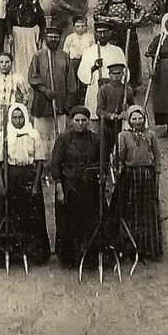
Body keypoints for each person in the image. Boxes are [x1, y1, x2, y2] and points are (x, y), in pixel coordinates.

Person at [0, 103, 50, 266]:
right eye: (14, 117)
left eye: (20, 117)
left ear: (25, 117)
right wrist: (1, 185)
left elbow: (39, 161)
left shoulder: (33, 134)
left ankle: (32, 253)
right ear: (10, 118)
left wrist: (36, 184)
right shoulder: (4, 135)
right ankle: (9, 252)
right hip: (11, 176)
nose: (18, 120)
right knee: (9, 212)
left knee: (30, 214)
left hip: (29, 176)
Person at [49, 106, 101, 268]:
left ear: (88, 122)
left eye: (83, 121)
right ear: (71, 122)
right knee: (68, 222)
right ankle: (69, 258)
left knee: (88, 221)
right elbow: (55, 165)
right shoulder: (63, 140)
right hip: (69, 187)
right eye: (77, 120)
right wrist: (59, 187)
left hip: (89, 187)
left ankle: (88, 257)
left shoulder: (96, 139)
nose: (80, 124)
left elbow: (101, 162)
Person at [114, 105, 163, 263]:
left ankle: (147, 249)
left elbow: (157, 156)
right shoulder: (123, 136)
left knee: (146, 212)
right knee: (131, 211)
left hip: (147, 176)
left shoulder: (150, 135)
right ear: (129, 120)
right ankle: (129, 248)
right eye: (133, 118)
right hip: (130, 176)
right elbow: (119, 157)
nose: (137, 121)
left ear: (144, 119)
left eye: (140, 118)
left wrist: (156, 174)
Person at [27, 25, 78, 159]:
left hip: (59, 104)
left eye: (56, 37)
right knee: (41, 138)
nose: (53, 40)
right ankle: (42, 167)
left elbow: (71, 82)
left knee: (58, 137)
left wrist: (67, 102)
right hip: (42, 103)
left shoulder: (64, 57)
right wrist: (45, 91)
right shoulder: (38, 55)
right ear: (45, 38)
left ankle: (55, 166)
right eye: (51, 37)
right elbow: (32, 78)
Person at [93, 0, 144, 88]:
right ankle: (111, 83)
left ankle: (130, 84)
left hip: (126, 29)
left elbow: (141, 10)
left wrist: (136, 21)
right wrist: (111, 19)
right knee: (113, 56)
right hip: (110, 31)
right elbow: (96, 15)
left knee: (130, 56)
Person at [76, 19, 127, 126]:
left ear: (109, 34)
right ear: (95, 34)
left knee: (114, 121)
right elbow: (82, 74)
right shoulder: (89, 51)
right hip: (95, 89)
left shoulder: (117, 51)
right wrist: (93, 68)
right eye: (99, 33)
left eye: (105, 32)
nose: (102, 35)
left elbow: (125, 74)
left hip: (114, 92)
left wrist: (108, 82)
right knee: (96, 121)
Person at [6, 0, 46, 83]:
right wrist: (9, 34)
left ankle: (31, 80)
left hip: (31, 35)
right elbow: (8, 20)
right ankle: (18, 80)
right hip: (18, 34)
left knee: (31, 56)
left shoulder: (35, 3)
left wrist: (41, 37)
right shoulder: (13, 2)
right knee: (19, 58)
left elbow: (42, 21)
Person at [95, 62, 132, 151]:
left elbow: (133, 107)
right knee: (106, 149)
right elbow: (99, 110)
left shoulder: (127, 89)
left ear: (123, 74)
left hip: (121, 124)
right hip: (107, 125)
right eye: (113, 74)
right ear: (109, 75)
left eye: (119, 73)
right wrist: (110, 115)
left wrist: (127, 110)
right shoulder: (104, 89)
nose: (116, 76)